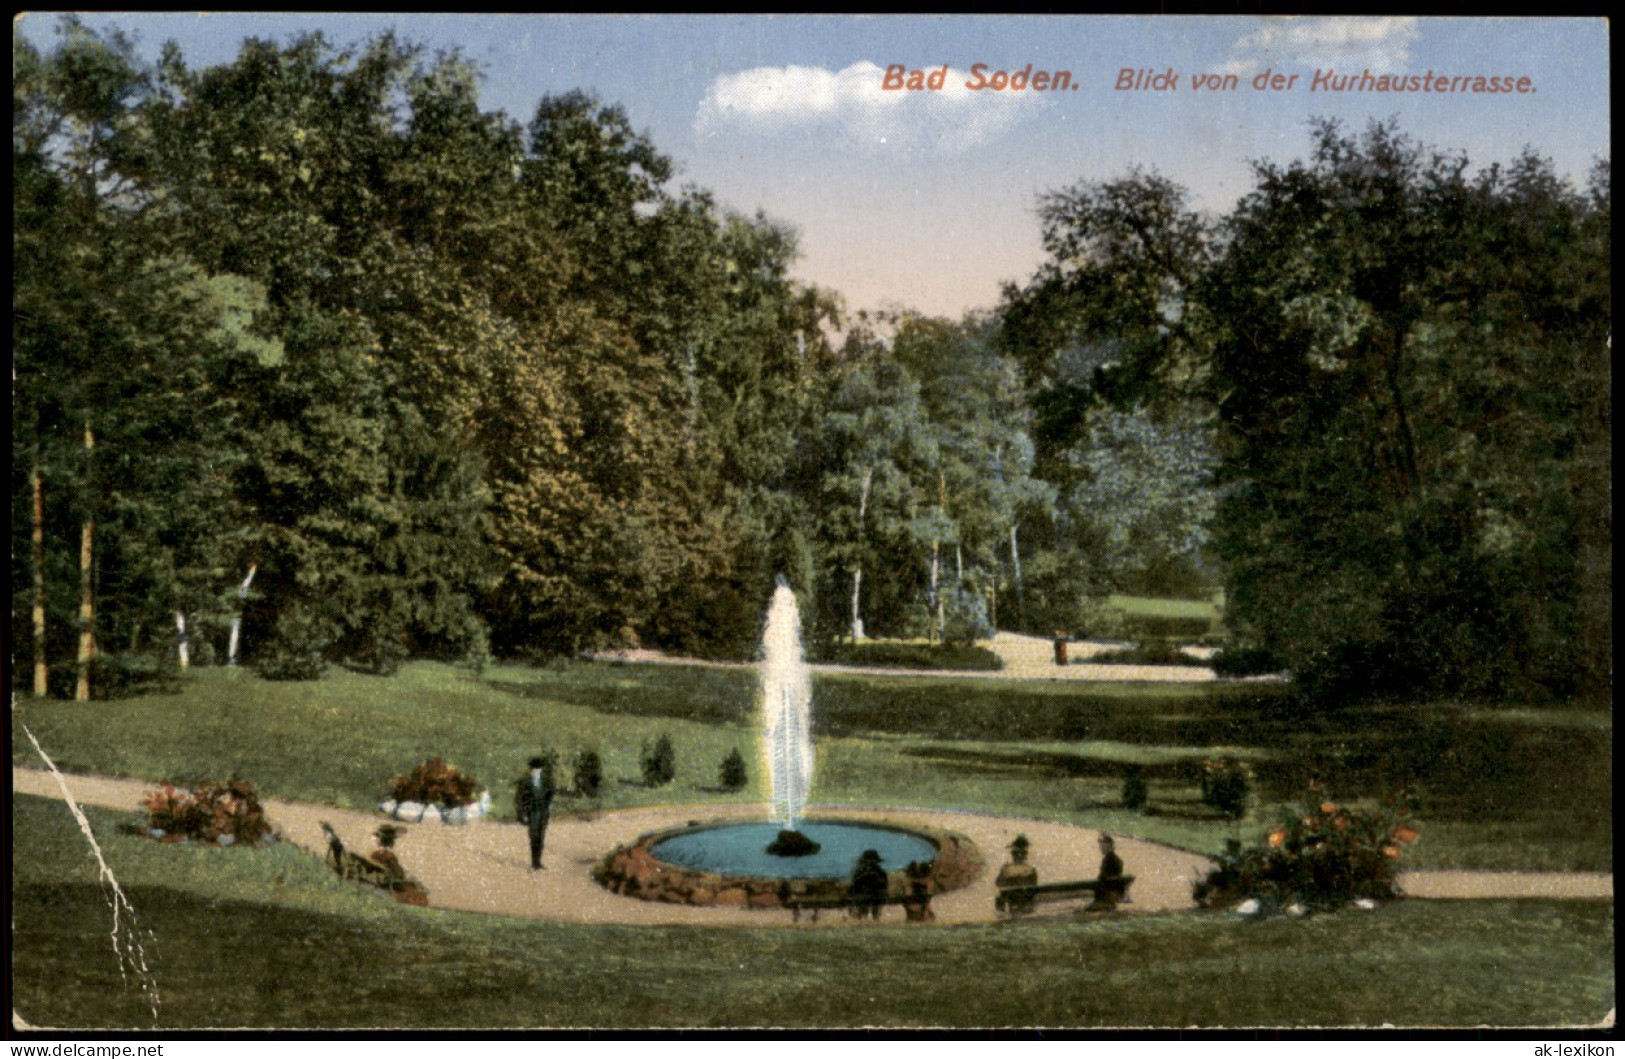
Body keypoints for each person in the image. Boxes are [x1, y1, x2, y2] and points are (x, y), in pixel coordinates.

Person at [516, 755, 556, 871]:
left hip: (543, 811)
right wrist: (522, 814)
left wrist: (547, 804)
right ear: (531, 769)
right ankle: (534, 863)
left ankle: (538, 862)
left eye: (538, 769)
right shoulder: (525, 781)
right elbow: (519, 798)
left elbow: (551, 792)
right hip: (532, 812)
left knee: (541, 836)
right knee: (534, 836)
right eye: (534, 769)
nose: (536, 771)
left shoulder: (546, 780)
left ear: (541, 769)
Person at [995, 834, 1039, 915]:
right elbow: (1034, 884)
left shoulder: (1006, 868)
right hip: (1027, 899)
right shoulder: (1031, 869)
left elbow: (998, 883)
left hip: (1012, 899)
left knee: (999, 897)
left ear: (1013, 855)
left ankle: (1001, 916)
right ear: (1025, 855)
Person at [849, 849, 889, 920]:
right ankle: (865, 917)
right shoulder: (860, 872)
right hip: (864, 896)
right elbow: (854, 886)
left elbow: (884, 885)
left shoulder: (879, 872)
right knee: (863, 910)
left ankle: (872, 917)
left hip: (875, 896)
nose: (870, 864)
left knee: (873, 910)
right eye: (869, 862)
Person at [1093, 833, 1126, 910]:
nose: (1101, 848)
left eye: (1103, 846)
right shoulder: (1119, 860)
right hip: (1115, 892)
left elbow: (1101, 878)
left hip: (1105, 893)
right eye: (1100, 846)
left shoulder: (1107, 860)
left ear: (1110, 847)